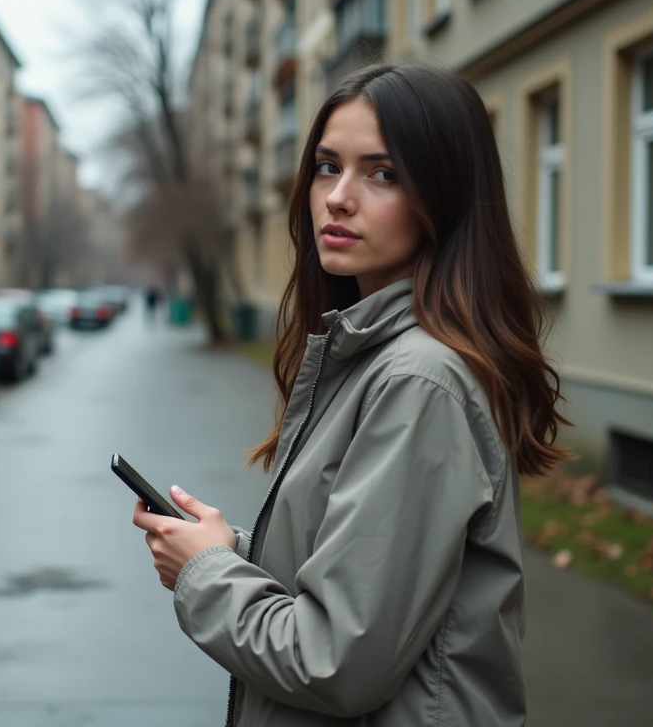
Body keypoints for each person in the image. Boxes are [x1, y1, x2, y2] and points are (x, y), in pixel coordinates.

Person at [131, 63, 570, 725]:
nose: (337, 197)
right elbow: (358, 575)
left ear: (444, 196)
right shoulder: (368, 355)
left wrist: (207, 575)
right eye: (327, 166)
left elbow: (334, 660)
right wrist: (230, 552)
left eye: (382, 173)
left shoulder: (419, 381)